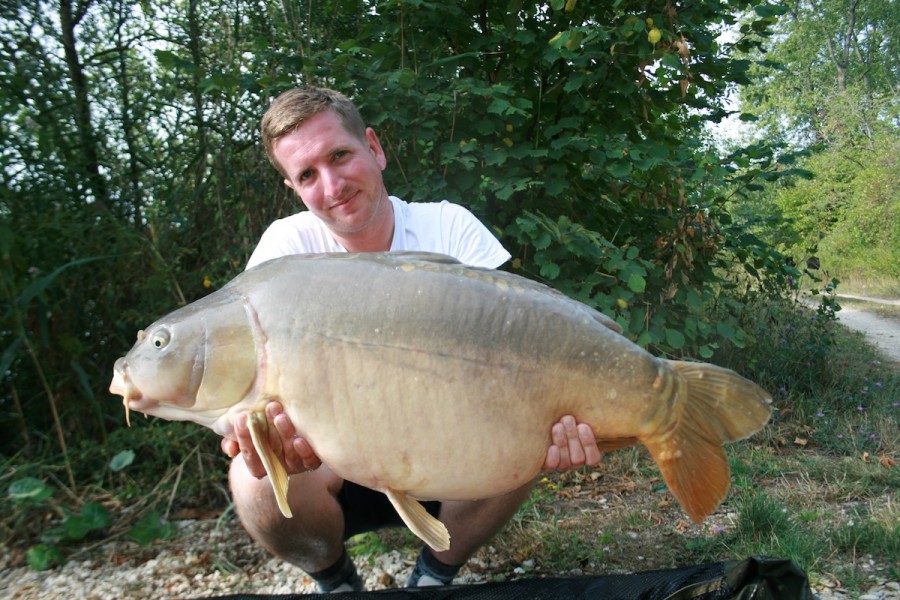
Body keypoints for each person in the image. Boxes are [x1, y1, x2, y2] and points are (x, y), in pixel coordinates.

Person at [220, 86, 601, 593]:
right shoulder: (283, 255)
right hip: (332, 465)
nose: (332, 185)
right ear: (293, 187)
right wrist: (257, 430)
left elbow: (527, 346)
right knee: (254, 483)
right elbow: (242, 392)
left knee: (528, 436)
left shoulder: (450, 228)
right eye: (307, 175)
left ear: (373, 148)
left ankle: (434, 574)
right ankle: (335, 580)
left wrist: (559, 417)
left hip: (454, 459)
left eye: (340, 156)